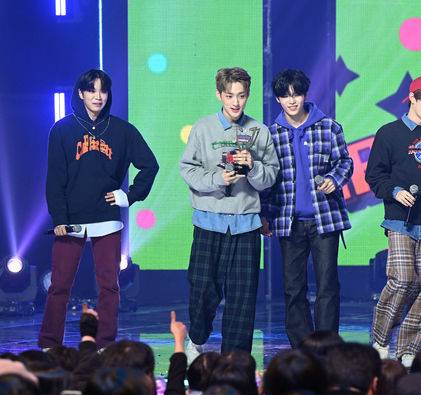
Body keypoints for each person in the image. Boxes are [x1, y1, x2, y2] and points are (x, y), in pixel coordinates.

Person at [39, 69, 159, 349]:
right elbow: (54, 179)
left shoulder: (122, 130)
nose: (98, 96)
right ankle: (49, 343)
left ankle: (105, 344)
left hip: (106, 219)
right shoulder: (62, 129)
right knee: (59, 286)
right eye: (91, 90)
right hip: (71, 219)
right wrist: (59, 218)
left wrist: (129, 196)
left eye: (103, 90)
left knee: (109, 286)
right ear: (81, 93)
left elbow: (149, 165)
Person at [180, 67, 279, 362]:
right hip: (208, 221)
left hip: (246, 224)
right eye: (230, 95)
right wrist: (217, 179)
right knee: (202, 289)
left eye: (242, 95)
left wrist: (253, 167)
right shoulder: (203, 128)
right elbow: (188, 169)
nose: (236, 102)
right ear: (219, 95)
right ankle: (197, 339)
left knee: (242, 296)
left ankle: (234, 360)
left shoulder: (259, 131)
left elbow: (270, 177)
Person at [365, 75, 421, 368]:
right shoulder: (389, 133)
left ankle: (411, 349)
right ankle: (380, 340)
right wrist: (395, 191)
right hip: (400, 221)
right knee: (402, 279)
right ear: (411, 98)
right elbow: (374, 175)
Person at [263, 69, 353, 347]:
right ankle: (302, 348)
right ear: (278, 99)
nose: (292, 101)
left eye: (297, 94)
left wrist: (333, 180)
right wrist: (265, 214)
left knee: (327, 285)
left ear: (305, 95)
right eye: (285, 95)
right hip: (288, 220)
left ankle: (326, 345)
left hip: (325, 218)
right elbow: (268, 179)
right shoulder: (271, 134)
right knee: (293, 288)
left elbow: (345, 162)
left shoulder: (329, 127)